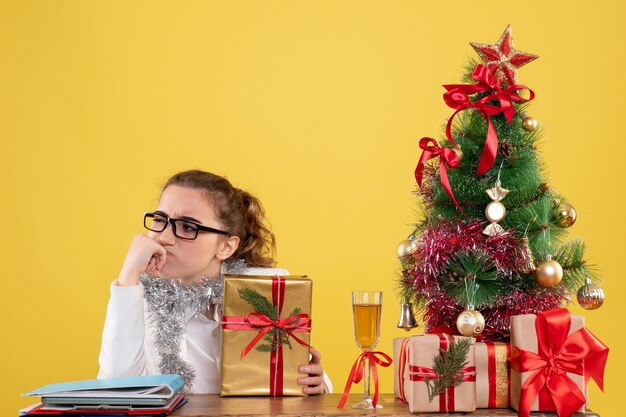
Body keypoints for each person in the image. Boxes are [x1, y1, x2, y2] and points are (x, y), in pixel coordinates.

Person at [98, 170, 331, 394]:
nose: (164, 238)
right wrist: (127, 276)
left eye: (188, 226)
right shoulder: (135, 296)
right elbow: (116, 390)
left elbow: (304, 380)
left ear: (226, 247)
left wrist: (316, 383)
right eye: (160, 219)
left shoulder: (265, 289)